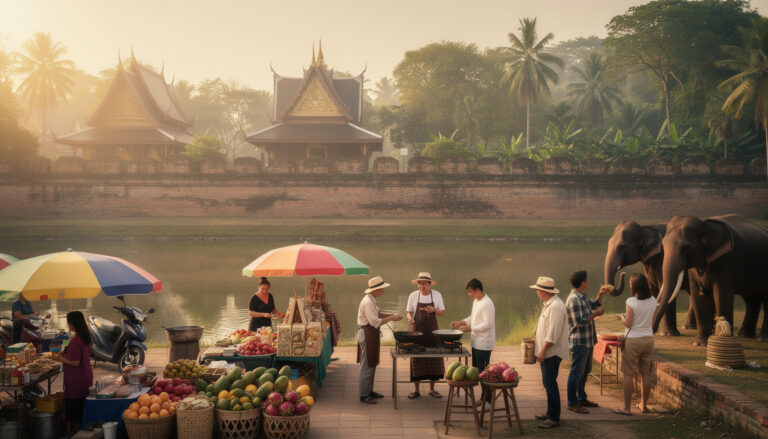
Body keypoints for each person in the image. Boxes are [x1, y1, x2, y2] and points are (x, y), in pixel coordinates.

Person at [565, 270, 611, 413]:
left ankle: (581, 398)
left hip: (588, 340)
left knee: (584, 371)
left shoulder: (582, 296)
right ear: (582, 282)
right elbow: (580, 321)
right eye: (587, 279)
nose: (589, 281)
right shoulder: (573, 300)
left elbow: (593, 304)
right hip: (579, 341)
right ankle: (572, 402)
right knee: (576, 372)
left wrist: (601, 294)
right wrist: (595, 314)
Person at [613, 273, 656, 416]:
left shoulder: (631, 301)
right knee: (646, 374)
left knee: (628, 375)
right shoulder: (653, 301)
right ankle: (643, 406)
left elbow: (629, 323)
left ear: (635, 285)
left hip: (633, 340)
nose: (630, 286)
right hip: (648, 339)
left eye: (631, 284)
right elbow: (651, 322)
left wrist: (621, 317)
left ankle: (627, 408)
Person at [530, 276, 569, 429]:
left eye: (538, 290)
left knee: (550, 383)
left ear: (543, 291)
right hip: (547, 351)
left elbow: (553, 334)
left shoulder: (556, 307)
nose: (537, 292)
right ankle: (550, 412)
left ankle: (554, 418)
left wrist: (543, 351)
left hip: (551, 353)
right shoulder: (549, 304)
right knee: (548, 383)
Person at [357, 276, 403, 404]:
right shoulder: (368, 302)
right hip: (367, 333)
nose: (383, 291)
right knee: (367, 365)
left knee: (372, 363)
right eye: (381, 289)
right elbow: (374, 321)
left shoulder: (372, 300)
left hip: (371, 333)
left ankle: (369, 390)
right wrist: (392, 318)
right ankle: (364, 394)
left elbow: (378, 315)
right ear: (375, 290)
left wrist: (392, 315)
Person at [450, 278, 494, 403]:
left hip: (484, 343)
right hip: (476, 342)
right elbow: (473, 317)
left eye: (471, 292)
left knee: (483, 373)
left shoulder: (487, 303)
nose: (469, 295)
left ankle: (488, 400)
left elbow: (488, 324)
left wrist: (470, 328)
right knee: (477, 371)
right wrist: (460, 322)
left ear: (478, 290)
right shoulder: (477, 301)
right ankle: (484, 397)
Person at [406, 272, 445, 399]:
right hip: (417, 332)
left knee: (433, 358)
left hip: (432, 332)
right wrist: (410, 319)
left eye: (424, 283)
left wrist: (434, 310)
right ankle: (416, 390)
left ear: (429, 284)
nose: (422, 286)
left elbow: (442, 313)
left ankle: (432, 389)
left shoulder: (437, 295)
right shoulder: (413, 296)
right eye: (419, 283)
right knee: (416, 360)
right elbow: (408, 312)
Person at [56, 311, 94, 435]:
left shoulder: (76, 342)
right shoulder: (84, 336)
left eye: (68, 323)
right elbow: (67, 348)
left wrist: (61, 359)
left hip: (75, 380)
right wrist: (64, 346)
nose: (68, 325)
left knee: (75, 412)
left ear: (72, 324)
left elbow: (75, 362)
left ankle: (75, 432)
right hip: (85, 375)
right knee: (81, 407)